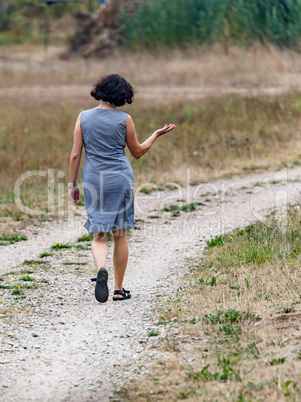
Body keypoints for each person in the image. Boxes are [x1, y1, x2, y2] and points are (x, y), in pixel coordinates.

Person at [69, 74, 176, 303]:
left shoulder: (83, 117)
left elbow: (76, 154)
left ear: (100, 91)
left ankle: (101, 269)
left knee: (99, 235)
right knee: (120, 234)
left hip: (94, 179)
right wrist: (155, 135)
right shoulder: (124, 119)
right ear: (122, 95)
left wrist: (72, 184)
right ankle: (118, 289)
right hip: (120, 178)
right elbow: (137, 152)